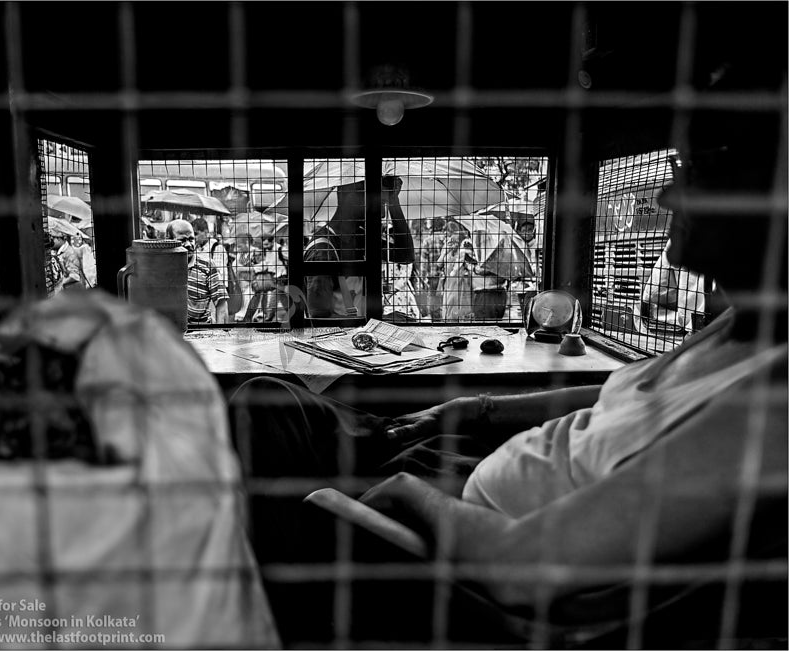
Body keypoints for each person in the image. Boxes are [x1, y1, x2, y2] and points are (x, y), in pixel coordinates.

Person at [228, 61, 787, 643]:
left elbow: (527, 569)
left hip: (454, 515)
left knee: (265, 443)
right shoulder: (737, 331)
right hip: (469, 451)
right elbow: (621, 395)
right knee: (267, 402)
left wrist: (414, 496)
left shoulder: (766, 413)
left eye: (695, 171)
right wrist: (476, 407)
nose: (669, 194)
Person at [304, 175, 413, 318]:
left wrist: (393, 201)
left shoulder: (361, 238)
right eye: (378, 203)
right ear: (352, 198)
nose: (381, 214)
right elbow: (319, 320)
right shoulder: (323, 251)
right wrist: (379, 321)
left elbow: (405, 256)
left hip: (360, 335)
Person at [166, 218, 229, 324]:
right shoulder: (161, 266)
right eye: (182, 240)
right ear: (169, 241)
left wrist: (221, 334)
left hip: (202, 332)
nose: (188, 244)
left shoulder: (208, 266)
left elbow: (221, 304)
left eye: (191, 239)